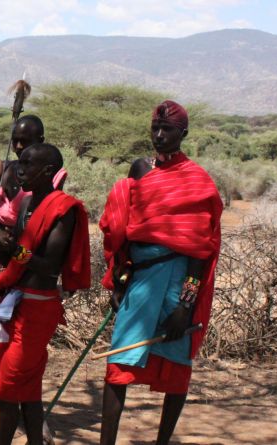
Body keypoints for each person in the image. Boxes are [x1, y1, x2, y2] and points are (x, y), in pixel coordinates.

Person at [97, 100, 223, 445]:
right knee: (118, 363)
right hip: (139, 279)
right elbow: (122, 228)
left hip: (177, 280)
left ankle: (162, 441)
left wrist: (185, 306)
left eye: (168, 129)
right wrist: (119, 281)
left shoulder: (196, 180)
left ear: (184, 133)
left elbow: (200, 251)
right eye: (155, 128)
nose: (159, 135)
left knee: (176, 366)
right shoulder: (139, 169)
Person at [0, 143, 91, 445]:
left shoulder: (63, 210)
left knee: (6, 389)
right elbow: (13, 254)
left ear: (48, 171)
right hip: (13, 302)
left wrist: (15, 250)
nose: (20, 170)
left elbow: (50, 266)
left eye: (28, 164)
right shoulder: (27, 203)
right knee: (27, 391)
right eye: (20, 163)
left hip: (38, 308)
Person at [0, 115, 68, 266]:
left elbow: (43, 220)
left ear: (40, 140)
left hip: (34, 259)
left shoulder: (50, 174)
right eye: (15, 141)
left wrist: (14, 250)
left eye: (25, 141)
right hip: (3, 255)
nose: (19, 146)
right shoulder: (6, 169)